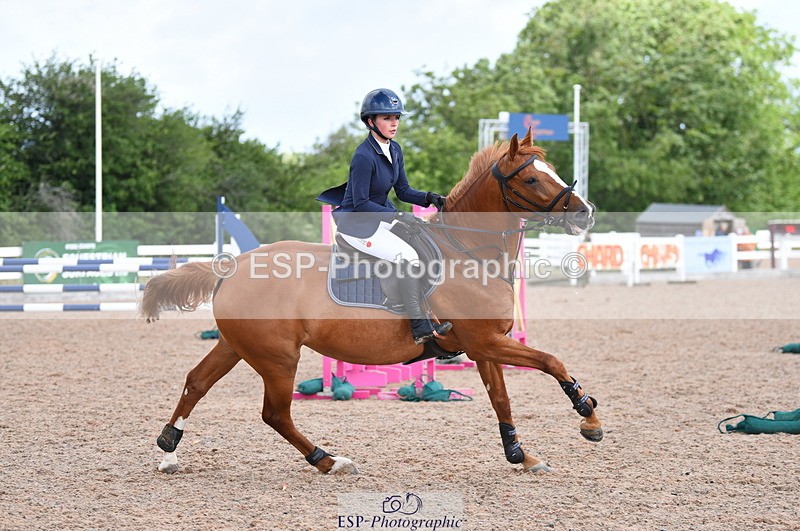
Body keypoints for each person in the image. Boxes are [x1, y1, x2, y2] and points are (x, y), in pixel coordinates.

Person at [330, 88, 451, 345]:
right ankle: (418, 326)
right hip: (356, 226)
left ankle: (432, 310)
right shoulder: (363, 156)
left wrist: (429, 197)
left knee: (423, 243)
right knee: (406, 255)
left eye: (396, 117)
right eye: (387, 118)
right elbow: (361, 203)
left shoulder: (394, 149)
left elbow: (403, 190)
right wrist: (397, 215)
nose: (394, 123)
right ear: (370, 121)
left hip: (378, 220)